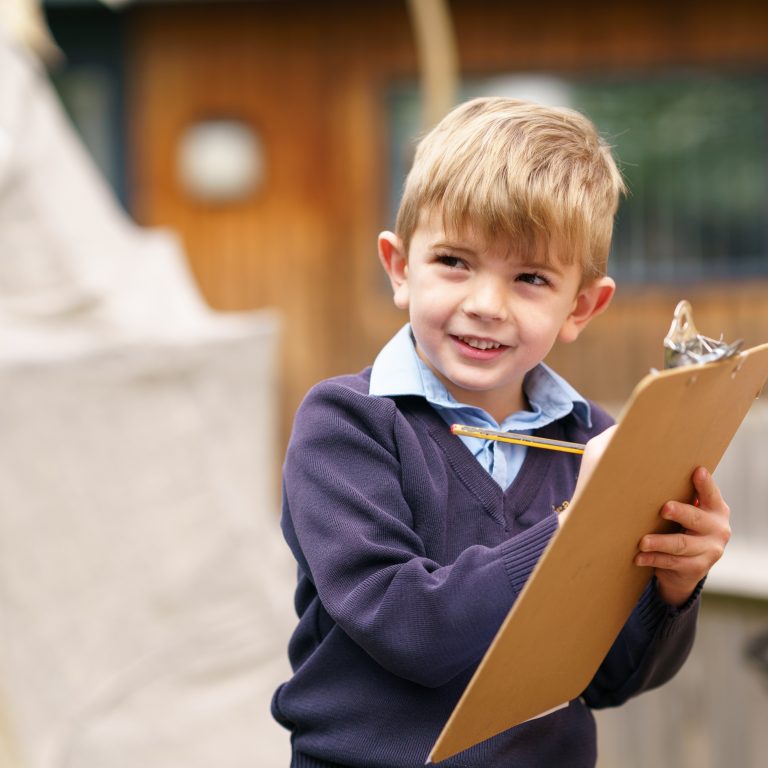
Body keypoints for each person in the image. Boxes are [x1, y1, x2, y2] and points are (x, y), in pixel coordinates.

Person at [271, 97, 731, 768]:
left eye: (530, 278)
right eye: (454, 262)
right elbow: (411, 630)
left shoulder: (594, 444)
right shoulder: (347, 425)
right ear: (400, 268)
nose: (485, 305)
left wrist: (674, 586)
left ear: (581, 306)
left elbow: (610, 680)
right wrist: (579, 523)